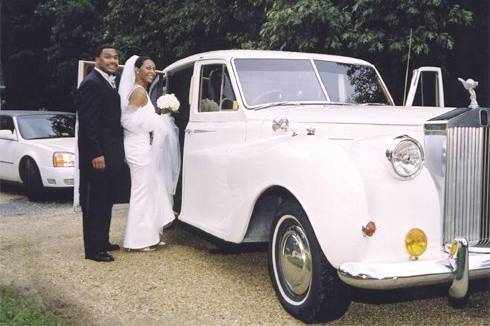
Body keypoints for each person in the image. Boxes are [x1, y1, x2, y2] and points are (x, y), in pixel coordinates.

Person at [118, 55, 180, 251]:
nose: (152, 72)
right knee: (141, 191)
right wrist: (157, 122)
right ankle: (136, 240)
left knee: (151, 188)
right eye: (148, 68)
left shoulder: (141, 91)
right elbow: (127, 121)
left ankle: (150, 234)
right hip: (138, 148)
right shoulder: (139, 93)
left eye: (154, 68)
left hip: (142, 144)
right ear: (137, 70)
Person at [76, 45, 124, 262]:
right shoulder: (91, 84)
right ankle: (93, 250)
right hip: (97, 155)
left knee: (106, 200)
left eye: (115, 57)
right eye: (107, 57)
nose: (113, 61)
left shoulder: (107, 82)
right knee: (94, 202)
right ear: (96, 59)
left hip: (110, 152)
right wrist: (96, 153)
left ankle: (103, 241)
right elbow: (88, 123)